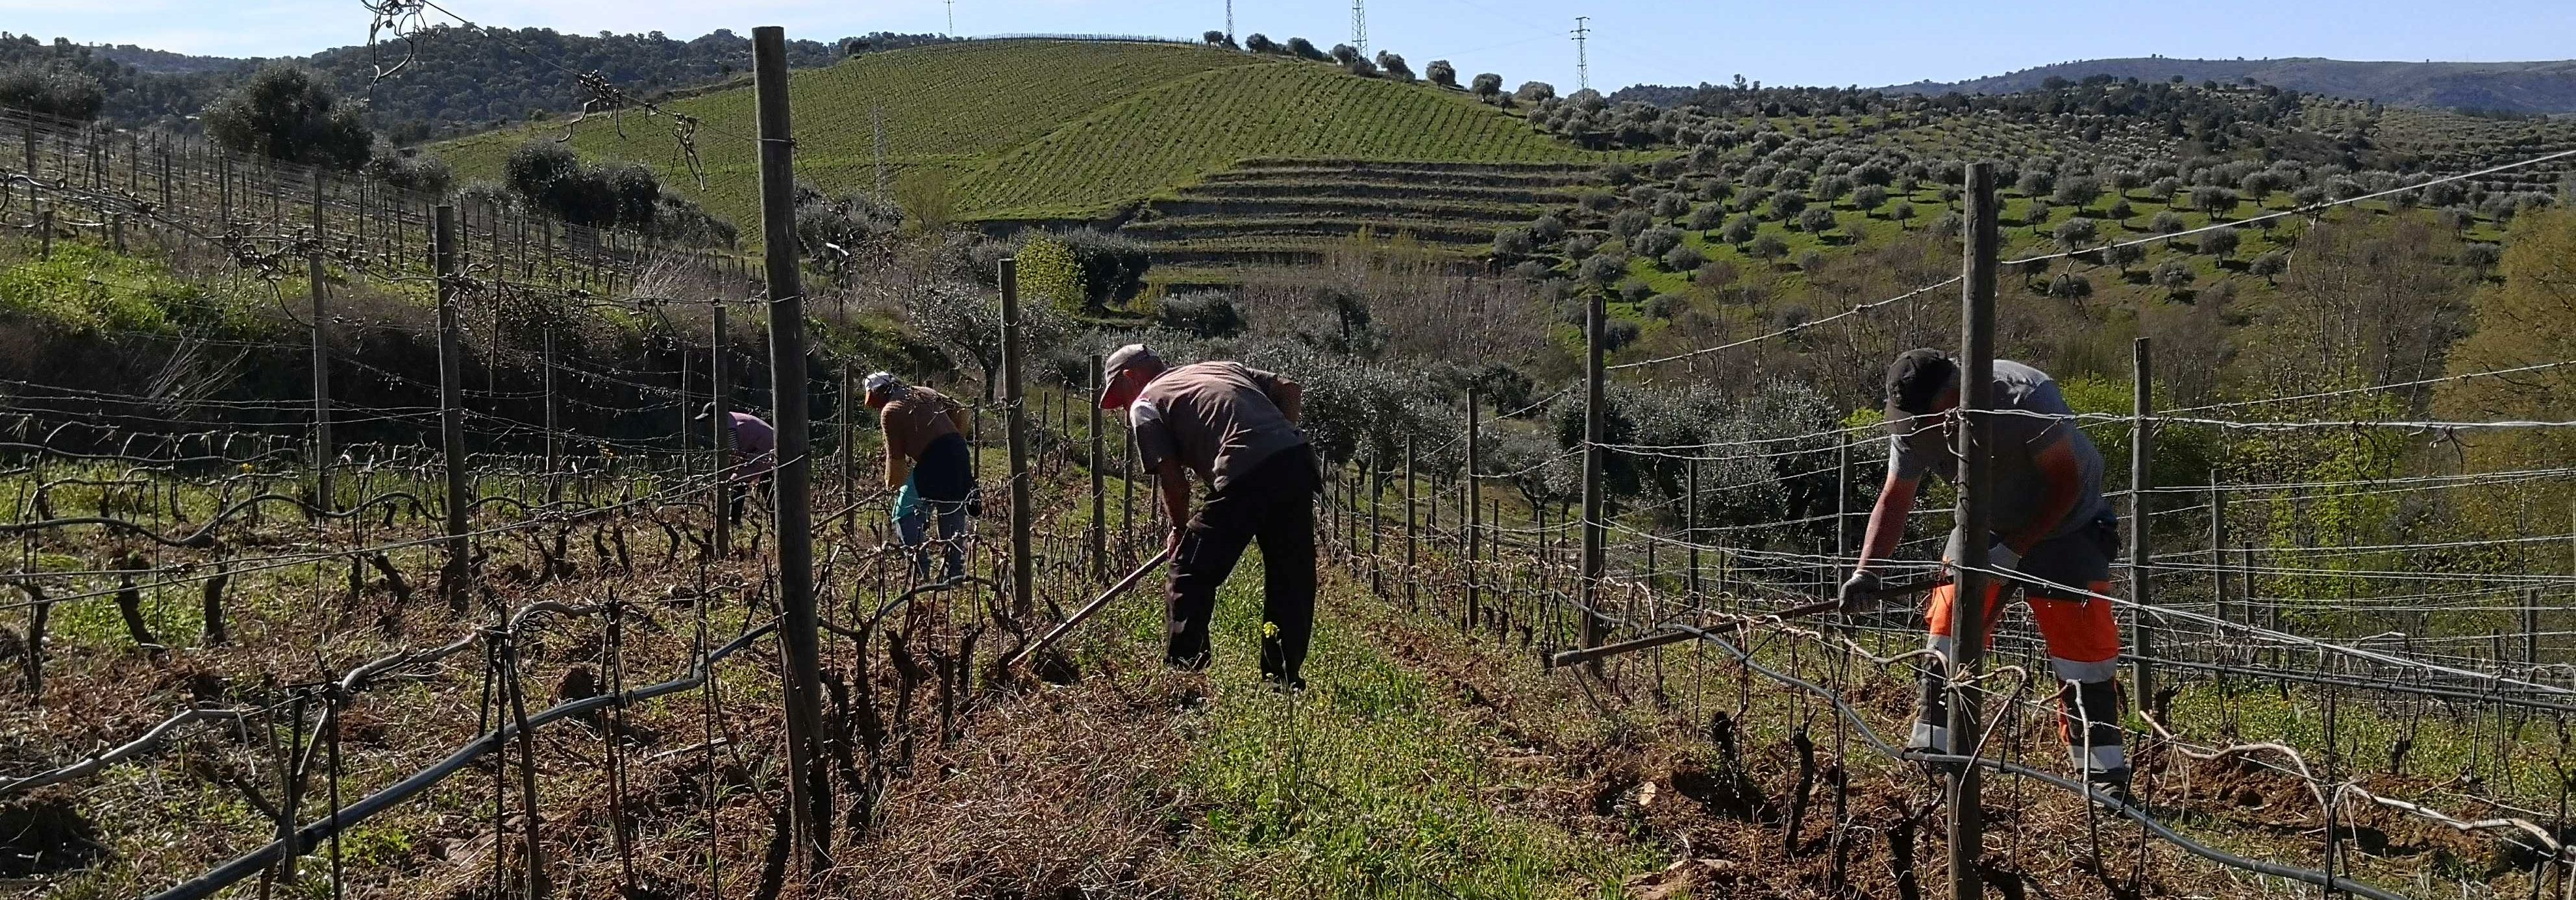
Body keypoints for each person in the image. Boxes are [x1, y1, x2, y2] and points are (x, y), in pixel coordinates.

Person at [1839, 348, 2128, 790]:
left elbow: (2066, 484)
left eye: (1932, 416)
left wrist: (2013, 551)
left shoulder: (2025, 399)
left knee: (2082, 647)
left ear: (1958, 393)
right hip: (1983, 524)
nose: (1922, 427)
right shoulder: (1911, 424)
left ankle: (2102, 775)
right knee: (1948, 620)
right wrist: (1867, 572)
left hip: (2069, 522)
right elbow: (1895, 497)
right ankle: (1934, 752)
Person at [1099, 344, 1317, 689]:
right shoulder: (1221, 367)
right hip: (1296, 460)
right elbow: (1289, 389)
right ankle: (1282, 682)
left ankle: (1186, 678)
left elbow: (1174, 482)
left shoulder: (1145, 404)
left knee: (1188, 568)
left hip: (1247, 469)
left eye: (1120, 398)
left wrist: (1178, 530)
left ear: (1132, 377)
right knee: (1291, 575)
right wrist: (1274, 441)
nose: (1123, 409)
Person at [864, 372, 974, 579]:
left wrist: (892, 485)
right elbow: (961, 410)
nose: (875, 406)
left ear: (879, 392)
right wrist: (953, 438)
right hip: (959, 453)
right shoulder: (924, 392)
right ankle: (954, 575)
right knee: (951, 512)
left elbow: (895, 458)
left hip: (934, 460)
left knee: (903, 514)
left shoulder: (890, 412)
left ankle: (920, 571)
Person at [695, 403, 775, 523]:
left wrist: (725, 475)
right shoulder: (732, 419)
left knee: (738, 480)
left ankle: (734, 520)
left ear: (716, 418)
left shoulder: (728, 428)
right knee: (766, 484)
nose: (708, 425)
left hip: (764, 450)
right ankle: (775, 518)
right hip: (764, 447)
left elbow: (735, 456)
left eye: (709, 420)